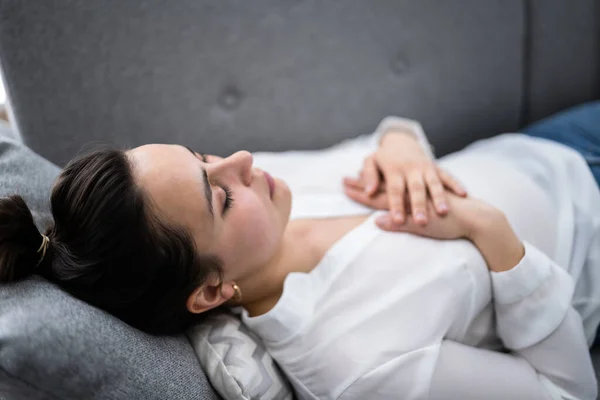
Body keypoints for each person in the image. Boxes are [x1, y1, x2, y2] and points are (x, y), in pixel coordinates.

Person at [1, 102, 599, 399]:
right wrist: (492, 234)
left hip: (545, 147)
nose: (241, 160)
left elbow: (390, 131)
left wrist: (403, 152)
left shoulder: (266, 202)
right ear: (212, 290)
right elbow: (567, 388)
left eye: (203, 156)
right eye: (219, 195)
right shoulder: (357, 362)